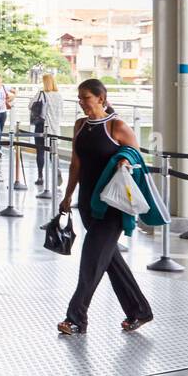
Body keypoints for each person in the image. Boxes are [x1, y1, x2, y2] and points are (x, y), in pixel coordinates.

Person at [57, 78, 154, 336]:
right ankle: (139, 311)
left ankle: (76, 318)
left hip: (112, 207)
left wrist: (123, 158)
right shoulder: (80, 126)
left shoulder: (117, 126)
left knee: (91, 260)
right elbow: (76, 164)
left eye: (86, 97)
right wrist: (68, 194)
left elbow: (136, 159)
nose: (81, 103)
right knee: (109, 260)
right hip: (88, 204)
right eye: (79, 98)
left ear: (101, 98)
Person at [31, 72, 64, 186]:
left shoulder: (41, 93)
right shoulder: (59, 95)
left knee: (40, 151)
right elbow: (61, 113)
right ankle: (57, 171)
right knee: (53, 152)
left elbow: (31, 105)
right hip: (55, 128)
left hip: (42, 126)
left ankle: (40, 177)